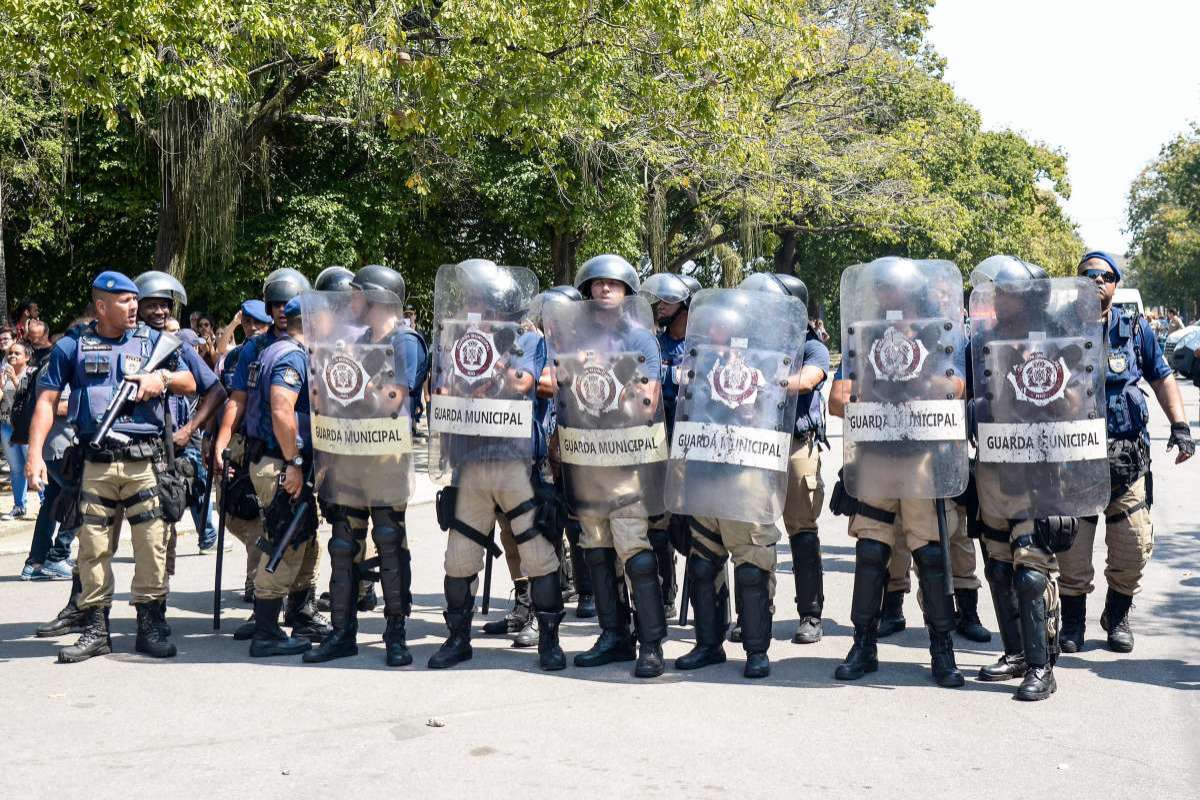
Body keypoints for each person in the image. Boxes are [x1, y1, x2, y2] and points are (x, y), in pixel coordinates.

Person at [27, 270, 198, 662]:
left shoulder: (153, 340)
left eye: (135, 299)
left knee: (151, 545)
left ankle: (150, 625)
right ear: (101, 306)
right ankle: (95, 629)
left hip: (144, 460)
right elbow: (46, 402)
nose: (134, 306)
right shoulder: (72, 346)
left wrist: (161, 379)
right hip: (96, 461)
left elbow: (192, 382)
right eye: (125, 300)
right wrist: (34, 455)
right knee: (92, 548)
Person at [829, 256, 969, 688]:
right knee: (871, 550)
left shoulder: (938, 333)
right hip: (876, 456)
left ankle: (942, 649)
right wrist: (860, 395)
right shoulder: (865, 336)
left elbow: (958, 386)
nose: (888, 295)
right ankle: (863, 644)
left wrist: (924, 383)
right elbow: (837, 398)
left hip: (921, 458)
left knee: (930, 553)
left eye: (894, 289)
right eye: (882, 289)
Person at [426, 258, 565, 671]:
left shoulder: (526, 340)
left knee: (538, 554)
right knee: (460, 558)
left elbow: (521, 382)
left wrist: (487, 367)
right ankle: (457, 638)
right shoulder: (457, 340)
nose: (471, 307)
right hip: (469, 459)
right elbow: (443, 388)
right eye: (469, 300)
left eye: (478, 301)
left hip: (514, 460)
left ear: (498, 305)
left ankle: (549, 640)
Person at [1056, 251, 1194, 653]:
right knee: (1071, 552)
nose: (1096, 280)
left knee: (1133, 545)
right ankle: (1073, 623)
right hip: (1074, 463)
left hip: (1127, 460)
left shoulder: (1134, 329)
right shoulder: (1058, 329)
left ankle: (1117, 616)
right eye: (1088, 275)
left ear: (1116, 284)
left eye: (1104, 275)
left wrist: (1181, 427)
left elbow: (1162, 377)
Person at [549, 256, 668, 677]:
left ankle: (651, 643)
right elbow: (563, 394)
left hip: (626, 463)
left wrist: (607, 395)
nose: (604, 289)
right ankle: (614, 635)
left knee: (634, 550)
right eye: (597, 283)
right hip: (586, 462)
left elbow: (648, 402)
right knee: (596, 551)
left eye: (613, 284)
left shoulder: (641, 340)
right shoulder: (573, 340)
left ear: (626, 292)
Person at [304, 264, 421, 666]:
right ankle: (342, 632)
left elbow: (392, 400)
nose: (351, 300)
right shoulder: (358, 340)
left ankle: (395, 634)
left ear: (377, 298)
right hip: (349, 456)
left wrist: (351, 379)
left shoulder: (405, 342)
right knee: (342, 544)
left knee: (389, 542)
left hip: (386, 458)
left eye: (357, 293)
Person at [214, 268, 330, 648]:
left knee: (303, 538)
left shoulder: (275, 350)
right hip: (280, 462)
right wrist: (293, 462)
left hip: (278, 460)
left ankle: (300, 615)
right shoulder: (289, 356)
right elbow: (281, 409)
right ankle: (266, 630)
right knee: (285, 541)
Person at [214, 299, 272, 602]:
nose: (252, 328)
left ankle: (257, 581)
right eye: (247, 322)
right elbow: (230, 399)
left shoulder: (281, 351)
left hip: (269, 444)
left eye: (258, 323)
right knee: (237, 510)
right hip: (238, 442)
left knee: (263, 518)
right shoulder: (239, 355)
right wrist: (216, 441)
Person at [2, 340, 38, 522]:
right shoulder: (4, 373)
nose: (12, 356)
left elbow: (31, 399)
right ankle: (19, 506)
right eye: (10, 353)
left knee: (33, 465)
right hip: (7, 425)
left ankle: (46, 504)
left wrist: (15, 381)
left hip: (26, 427)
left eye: (17, 353)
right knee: (16, 468)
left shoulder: (32, 374)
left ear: (27, 357)